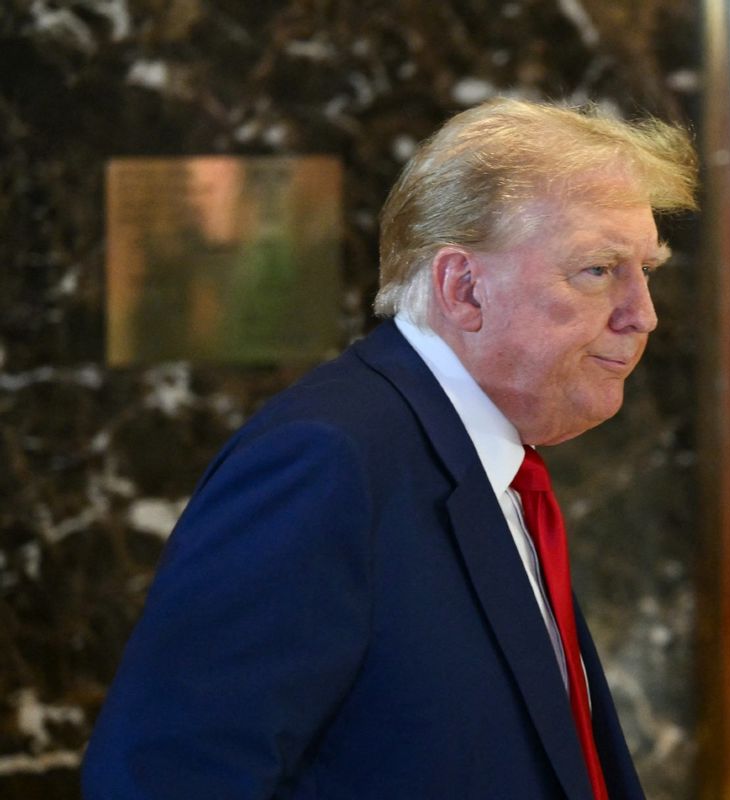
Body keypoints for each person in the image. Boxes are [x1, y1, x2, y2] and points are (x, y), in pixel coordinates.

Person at [81, 97, 698, 799]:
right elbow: (164, 779)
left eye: (648, 269)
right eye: (598, 270)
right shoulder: (325, 462)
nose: (642, 314)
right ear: (463, 289)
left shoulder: (492, 459)